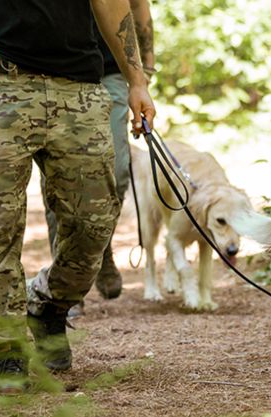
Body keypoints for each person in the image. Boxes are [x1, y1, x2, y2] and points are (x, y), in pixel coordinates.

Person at [0, 0, 157, 376]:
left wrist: (137, 80)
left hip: (80, 87)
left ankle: (48, 305)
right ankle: (6, 350)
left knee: (94, 223)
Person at [41, 0, 156, 317]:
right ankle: (64, 286)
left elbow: (138, 6)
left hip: (110, 71)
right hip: (52, 73)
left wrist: (144, 67)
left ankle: (98, 248)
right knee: (58, 181)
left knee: (117, 172)